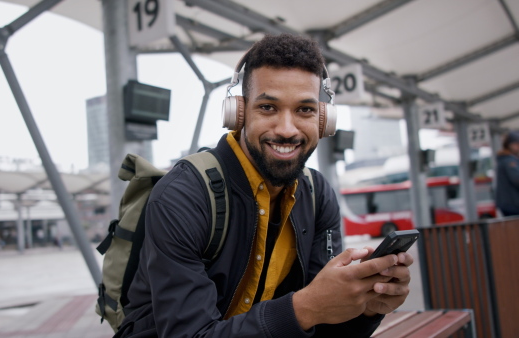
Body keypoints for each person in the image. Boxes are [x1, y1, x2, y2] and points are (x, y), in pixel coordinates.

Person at [115, 34, 413, 337]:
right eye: (268, 107)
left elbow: (323, 327)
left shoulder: (316, 194)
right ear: (238, 114)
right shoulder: (183, 197)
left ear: (324, 120)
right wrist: (304, 308)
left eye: (305, 110)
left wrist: (365, 308)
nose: (286, 129)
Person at [495, 130, 519, 216]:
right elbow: (516, 179)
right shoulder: (509, 161)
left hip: (509, 202)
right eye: (516, 144)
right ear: (510, 145)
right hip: (513, 203)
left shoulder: (506, 159)